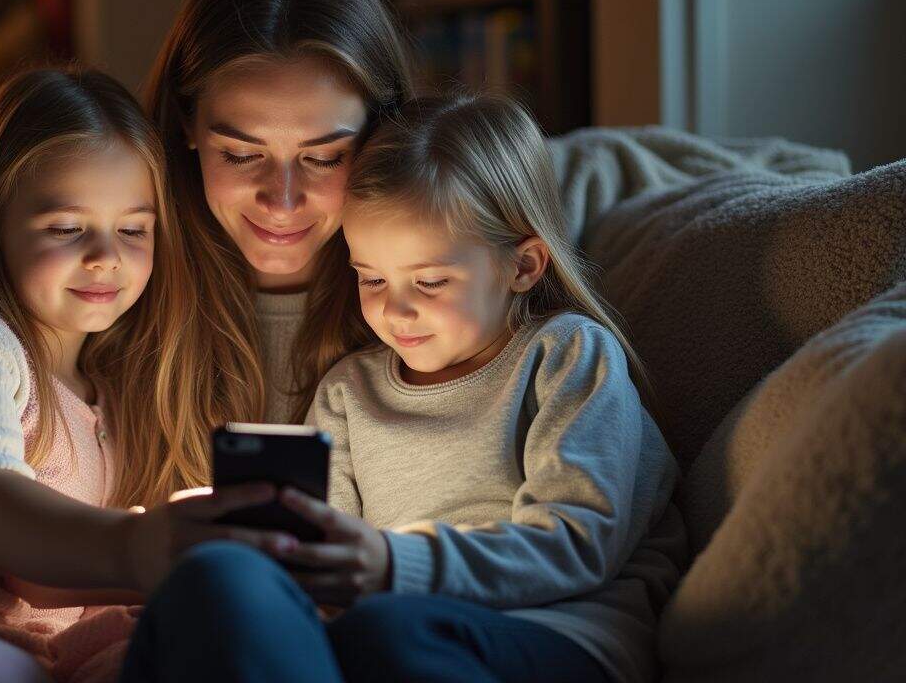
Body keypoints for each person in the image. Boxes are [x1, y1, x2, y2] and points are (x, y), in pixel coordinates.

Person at [121, 93, 689, 683]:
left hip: (560, 636)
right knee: (216, 587)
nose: (396, 310)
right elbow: (325, 559)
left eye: (431, 280)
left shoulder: (566, 355)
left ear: (522, 266)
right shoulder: (349, 392)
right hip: (387, 635)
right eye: (370, 278)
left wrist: (395, 564)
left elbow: (579, 540)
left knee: (385, 631)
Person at [0, 68, 291, 683]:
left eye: (132, 230)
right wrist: (143, 546)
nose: (106, 257)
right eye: (67, 229)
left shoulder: (113, 391)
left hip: (56, 646)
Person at [145, 0, 414, 424]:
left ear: (381, 134)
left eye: (325, 158)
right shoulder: (117, 281)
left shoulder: (443, 295)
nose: (282, 202)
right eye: (242, 155)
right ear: (187, 123)